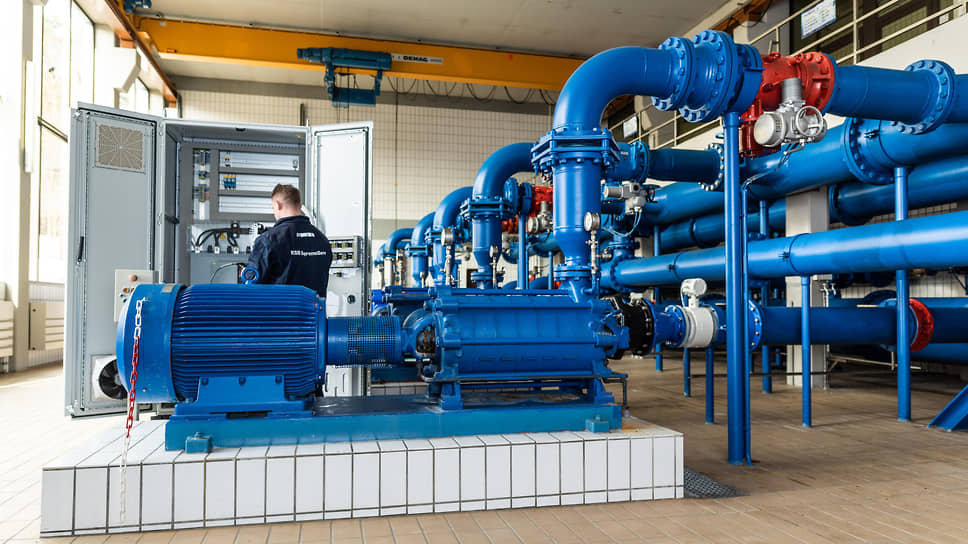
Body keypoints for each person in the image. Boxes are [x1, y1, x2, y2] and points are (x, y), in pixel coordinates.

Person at [246, 184, 333, 297]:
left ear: (277, 205)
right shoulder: (322, 240)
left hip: (279, 308)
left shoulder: (268, 240)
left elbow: (251, 283)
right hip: (313, 308)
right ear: (299, 206)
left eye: (273, 208)